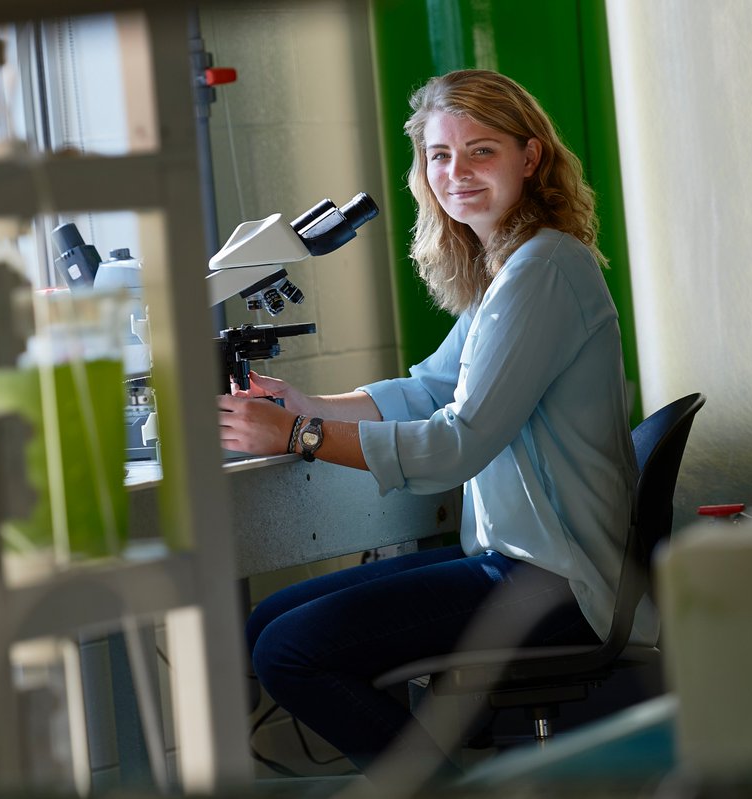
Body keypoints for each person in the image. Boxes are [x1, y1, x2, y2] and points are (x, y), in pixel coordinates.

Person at [217, 69, 655, 773]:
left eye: (481, 151)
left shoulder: (543, 269)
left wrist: (297, 437)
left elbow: (458, 442)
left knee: (287, 650)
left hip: (555, 578)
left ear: (529, 156)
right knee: (267, 625)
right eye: (440, 155)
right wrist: (302, 404)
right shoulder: (506, 268)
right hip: (517, 556)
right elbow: (428, 389)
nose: (457, 172)